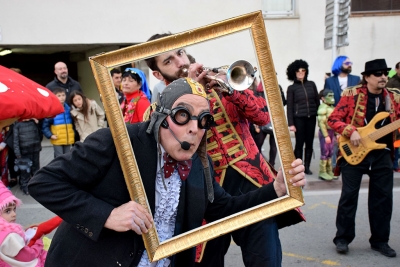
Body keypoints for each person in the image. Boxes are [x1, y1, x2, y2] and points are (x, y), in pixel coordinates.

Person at [28, 78, 306, 267]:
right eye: (183, 116)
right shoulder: (118, 142)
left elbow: (224, 209)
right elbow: (44, 182)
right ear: (160, 116)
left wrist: (277, 190)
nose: (194, 129)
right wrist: (108, 215)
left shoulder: (201, 162)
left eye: (204, 121)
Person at [145, 33, 305, 267]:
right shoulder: (157, 108)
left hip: (252, 181)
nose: (180, 62)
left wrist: (231, 90)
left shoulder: (221, 83)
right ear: (158, 74)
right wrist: (189, 92)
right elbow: (160, 142)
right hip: (205, 193)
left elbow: (263, 116)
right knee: (207, 262)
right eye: (168, 61)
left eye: (179, 53)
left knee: (265, 260)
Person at [328, 59, 397, 258]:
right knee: (349, 197)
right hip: (354, 151)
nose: (383, 77)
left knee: (383, 200)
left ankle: (380, 241)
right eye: (378, 74)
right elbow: (333, 119)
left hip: (382, 153)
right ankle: (343, 238)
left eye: (385, 73)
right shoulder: (352, 95)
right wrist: (350, 130)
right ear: (367, 77)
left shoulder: (394, 98)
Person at [324, 56, 361, 173]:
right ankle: (336, 166)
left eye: (350, 62)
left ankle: (352, 162)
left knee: (352, 139)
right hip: (336, 117)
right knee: (335, 142)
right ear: (339, 64)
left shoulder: (356, 79)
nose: (350, 65)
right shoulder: (330, 81)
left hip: (351, 117)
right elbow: (326, 98)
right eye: (347, 63)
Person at [0, 182, 47, 266]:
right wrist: (38, 242)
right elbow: (28, 256)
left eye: (14, 209)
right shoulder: (10, 237)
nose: (14, 214)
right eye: (8, 211)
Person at [286, 59, 320, 175]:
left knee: (309, 143)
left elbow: (317, 101)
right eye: (298, 71)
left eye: (303, 70)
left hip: (311, 118)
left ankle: (307, 166)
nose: (301, 73)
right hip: (298, 119)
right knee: (299, 143)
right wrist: (291, 124)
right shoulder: (292, 88)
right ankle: (298, 167)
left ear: (306, 72)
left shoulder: (312, 84)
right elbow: (289, 107)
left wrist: (319, 116)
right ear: (294, 73)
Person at [250, 80, 286, 167]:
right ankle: (262, 164)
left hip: (271, 120)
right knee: (259, 144)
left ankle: (270, 165)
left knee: (273, 145)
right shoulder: (258, 89)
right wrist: (256, 124)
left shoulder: (276, 87)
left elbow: (283, 102)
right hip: (263, 120)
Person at [42, 88, 75, 158]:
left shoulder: (69, 109)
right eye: (59, 96)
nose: (62, 97)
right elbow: (45, 125)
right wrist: (50, 135)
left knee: (68, 157)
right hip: (57, 138)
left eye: (63, 95)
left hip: (67, 138)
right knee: (59, 157)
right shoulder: (52, 110)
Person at [13, 119, 42, 195]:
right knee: (25, 170)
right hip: (24, 151)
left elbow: (39, 134)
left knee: (35, 168)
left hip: (35, 148)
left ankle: (37, 184)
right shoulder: (17, 125)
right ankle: (24, 185)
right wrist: (17, 153)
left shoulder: (34, 122)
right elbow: (15, 140)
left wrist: (38, 123)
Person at [317, 89, 336, 181]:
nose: (332, 98)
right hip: (326, 132)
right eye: (329, 96)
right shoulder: (323, 108)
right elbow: (321, 123)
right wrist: (326, 136)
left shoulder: (331, 107)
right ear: (323, 98)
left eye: (332, 95)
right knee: (325, 152)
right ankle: (323, 171)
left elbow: (335, 122)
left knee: (331, 152)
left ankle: (329, 170)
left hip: (332, 132)